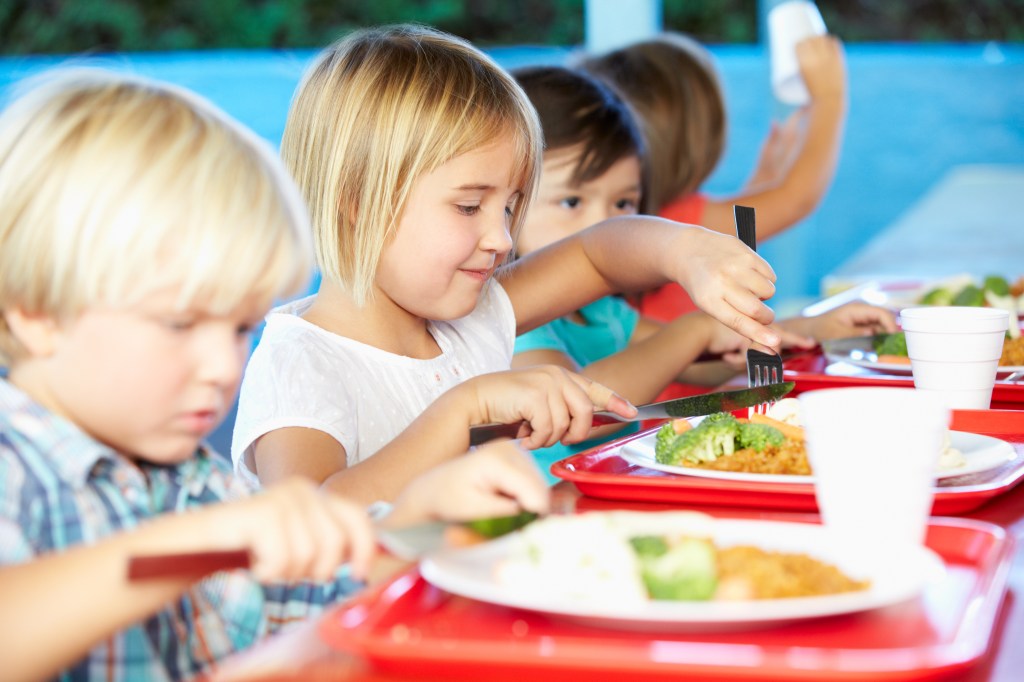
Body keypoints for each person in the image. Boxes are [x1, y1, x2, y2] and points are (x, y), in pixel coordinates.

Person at [0, 68, 550, 682]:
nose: (222, 368)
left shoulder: (189, 480)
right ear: (37, 313)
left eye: (238, 329)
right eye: (180, 324)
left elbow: (301, 601)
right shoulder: (16, 474)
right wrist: (191, 545)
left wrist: (415, 526)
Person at [232, 24, 783, 503]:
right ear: (355, 200)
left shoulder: (469, 321)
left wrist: (685, 251)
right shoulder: (300, 363)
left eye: (512, 207)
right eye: (469, 206)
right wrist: (463, 410)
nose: (500, 237)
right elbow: (310, 521)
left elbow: (598, 256)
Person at [509, 65, 896, 477]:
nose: (605, 224)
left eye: (623, 204)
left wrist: (812, 329)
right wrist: (693, 330)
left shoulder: (601, 311)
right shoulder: (512, 322)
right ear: (506, 201)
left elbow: (698, 362)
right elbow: (581, 415)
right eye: (572, 202)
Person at [579, 30, 848, 321]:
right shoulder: (673, 221)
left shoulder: (640, 219)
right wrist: (829, 98)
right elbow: (796, 199)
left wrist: (766, 177)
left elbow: (737, 227)